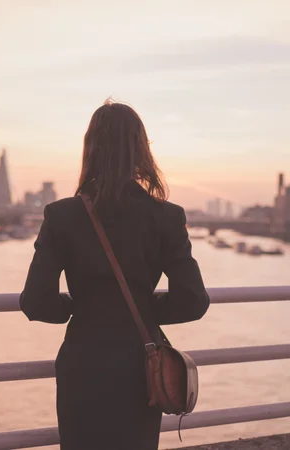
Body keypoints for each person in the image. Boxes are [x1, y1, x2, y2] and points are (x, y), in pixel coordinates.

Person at [20, 100, 210, 450]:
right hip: (141, 366)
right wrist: (145, 309)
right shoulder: (166, 217)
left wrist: (76, 308)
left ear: (90, 149)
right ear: (140, 150)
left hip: (84, 361)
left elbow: (35, 302)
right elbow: (194, 300)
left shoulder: (62, 216)